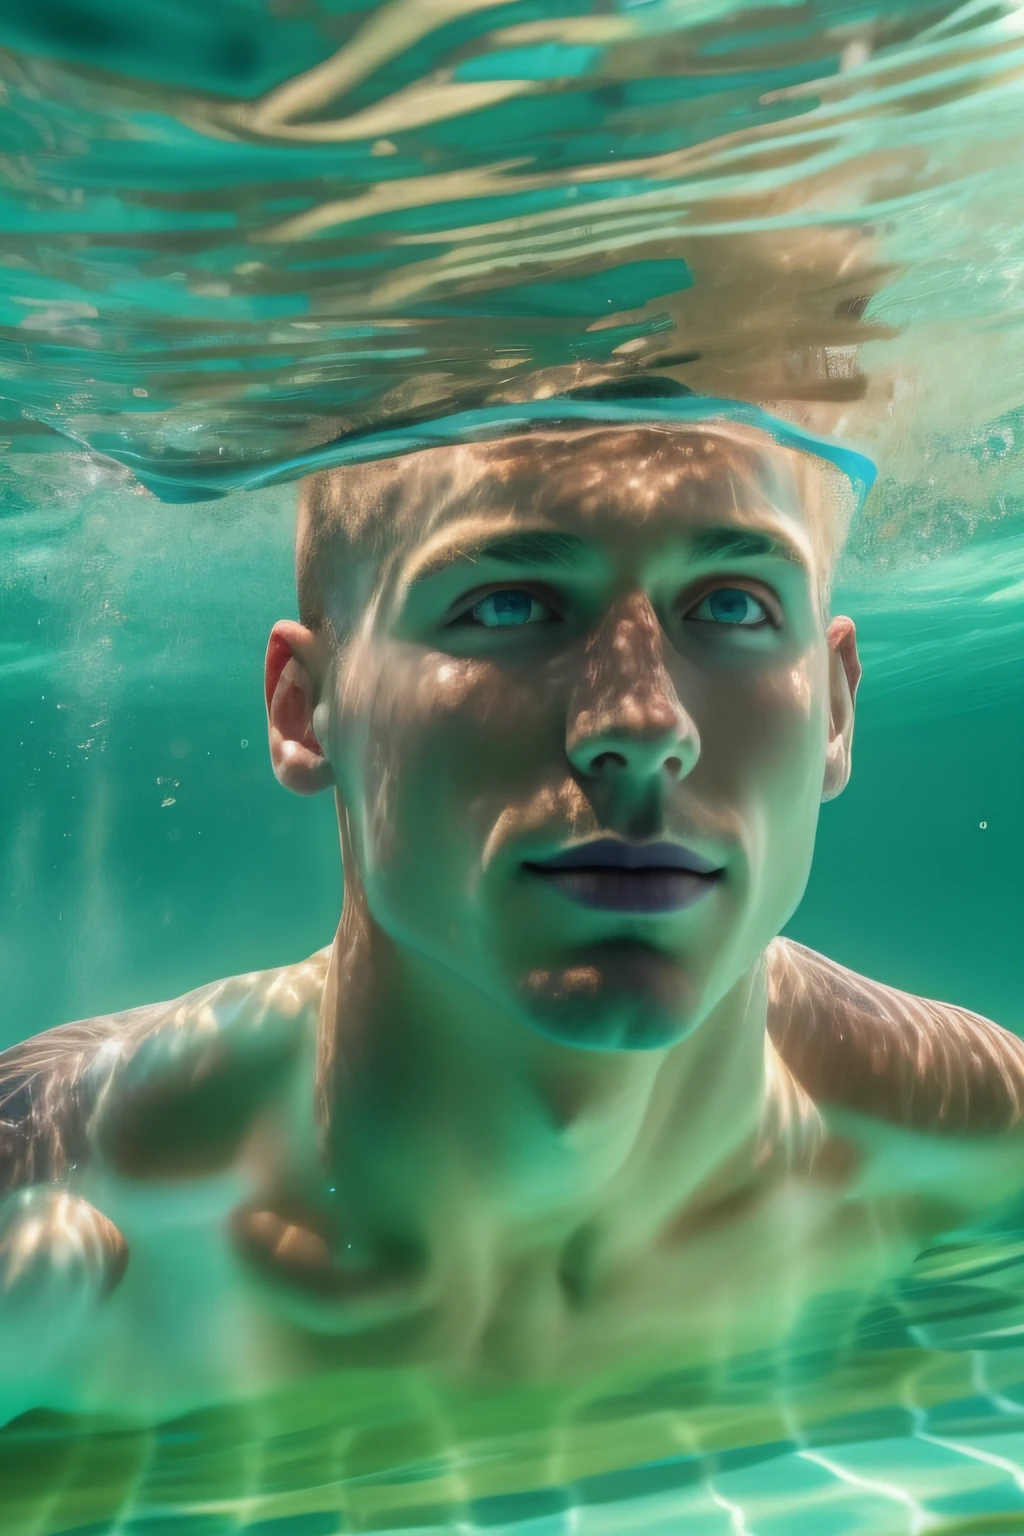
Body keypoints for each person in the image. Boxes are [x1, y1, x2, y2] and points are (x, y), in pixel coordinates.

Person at [2, 395, 1023, 1503]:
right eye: (509, 605)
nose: (639, 724)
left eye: (730, 602)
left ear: (833, 708)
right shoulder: (70, 1233)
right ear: (307, 709)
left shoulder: (962, 1130)